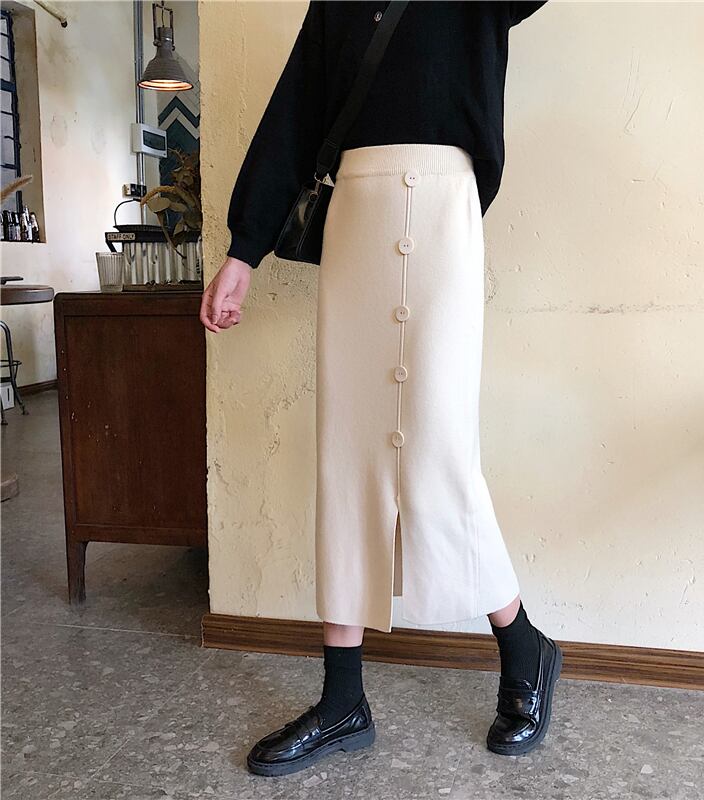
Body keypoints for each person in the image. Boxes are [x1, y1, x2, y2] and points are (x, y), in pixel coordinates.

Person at [200, 0, 560, 777]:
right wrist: (243, 251)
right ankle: (342, 700)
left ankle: (523, 643)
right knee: (348, 449)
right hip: (356, 218)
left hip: (443, 217)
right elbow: (295, 111)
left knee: (437, 447)